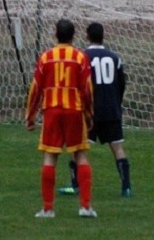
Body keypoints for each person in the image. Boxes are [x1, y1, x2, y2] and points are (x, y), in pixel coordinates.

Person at [25, 19, 97, 218]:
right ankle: (85, 207)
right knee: (80, 155)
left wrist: (30, 116)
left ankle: (48, 209)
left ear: (55, 34)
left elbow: (35, 88)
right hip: (74, 111)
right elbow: (87, 89)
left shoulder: (46, 57)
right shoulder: (80, 57)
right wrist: (89, 115)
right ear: (73, 36)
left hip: (52, 111)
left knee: (50, 156)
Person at [59, 22, 132, 198]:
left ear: (87, 36)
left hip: (89, 111)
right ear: (103, 36)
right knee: (117, 148)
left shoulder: (82, 57)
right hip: (111, 110)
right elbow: (121, 84)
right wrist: (116, 102)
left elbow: (78, 84)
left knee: (78, 149)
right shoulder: (115, 58)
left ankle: (75, 185)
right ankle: (126, 187)